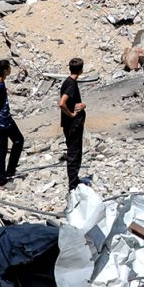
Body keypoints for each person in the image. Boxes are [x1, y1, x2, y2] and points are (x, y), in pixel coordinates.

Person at [0, 59, 25, 187]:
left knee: (19, 140)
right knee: (1, 151)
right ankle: (2, 180)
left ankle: (10, 170)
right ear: (5, 71)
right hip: (1, 124)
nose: (10, 70)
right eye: (9, 68)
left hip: (7, 120)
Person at [59, 57, 87, 190]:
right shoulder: (70, 84)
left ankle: (74, 180)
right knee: (74, 154)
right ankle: (73, 184)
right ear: (81, 70)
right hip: (73, 125)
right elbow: (62, 103)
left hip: (71, 124)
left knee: (74, 152)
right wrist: (71, 114)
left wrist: (81, 106)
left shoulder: (68, 82)